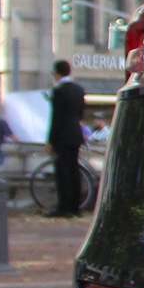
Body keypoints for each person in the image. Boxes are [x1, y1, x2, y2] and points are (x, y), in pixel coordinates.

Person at [47, 59, 87, 217]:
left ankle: (64, 207)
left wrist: (50, 139)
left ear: (57, 73)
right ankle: (75, 207)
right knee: (74, 170)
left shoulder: (58, 91)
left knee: (62, 171)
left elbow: (56, 117)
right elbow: (81, 114)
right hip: (75, 133)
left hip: (62, 135)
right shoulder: (79, 89)